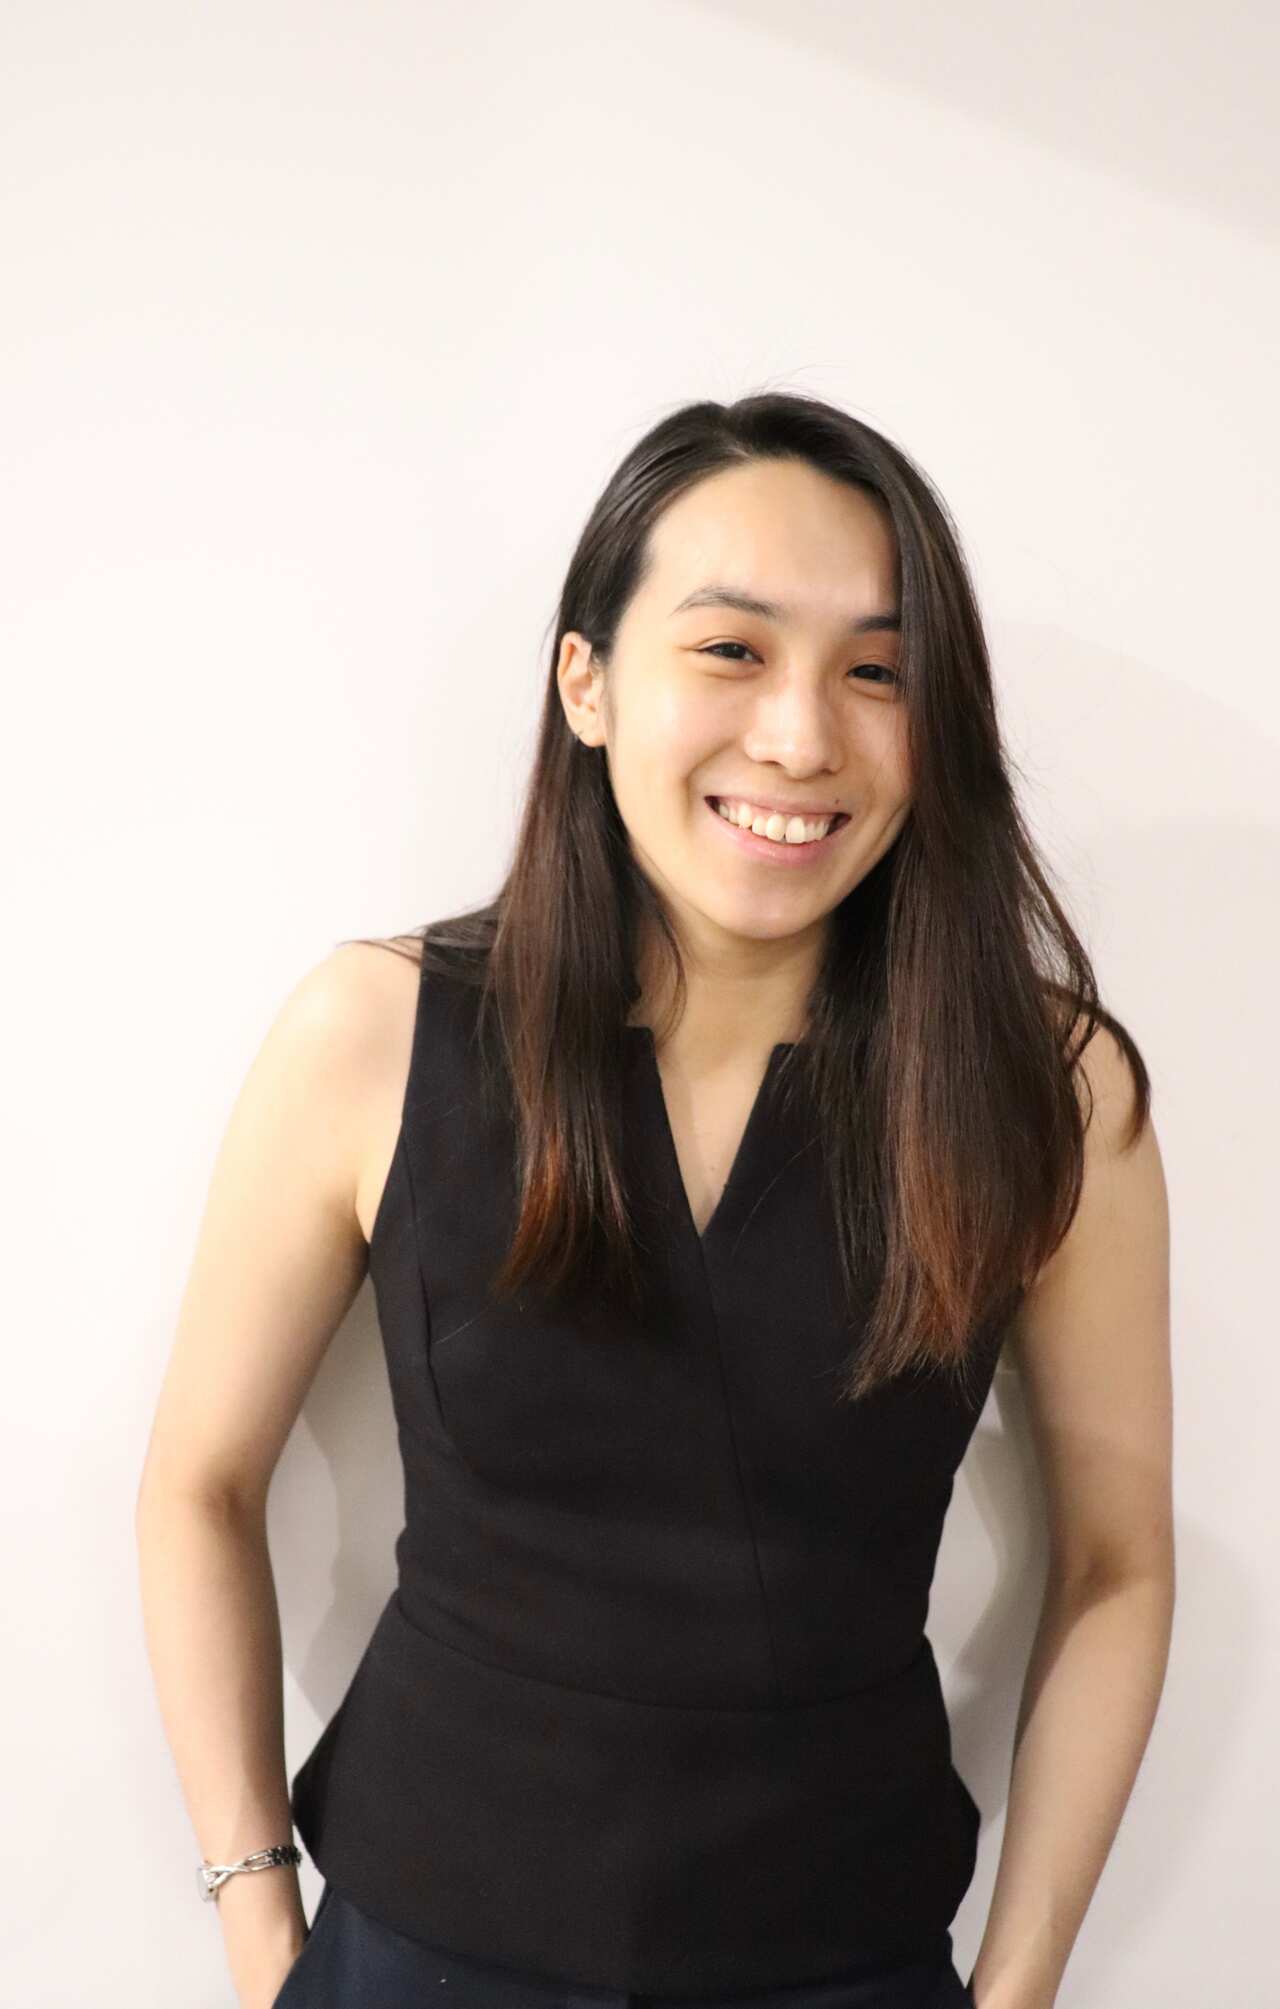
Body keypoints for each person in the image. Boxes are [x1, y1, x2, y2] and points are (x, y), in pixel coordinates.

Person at [135, 392, 1173, 2009]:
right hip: (413, 1953)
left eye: (877, 671)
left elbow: (1120, 1558)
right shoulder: (372, 1033)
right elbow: (197, 1478)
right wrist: (259, 1917)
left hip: (845, 1963)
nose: (802, 736)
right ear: (590, 682)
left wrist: (1023, 1983)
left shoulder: (1049, 1088)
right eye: (734, 650)